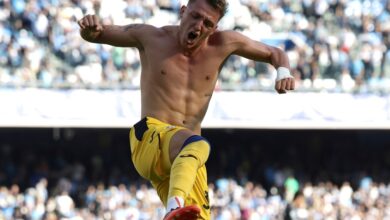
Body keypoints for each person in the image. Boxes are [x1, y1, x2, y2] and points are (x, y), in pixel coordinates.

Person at [78, 0, 295, 219]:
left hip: (186, 159)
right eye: (195, 16)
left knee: (198, 215)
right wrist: (89, 28)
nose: (199, 26)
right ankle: (174, 207)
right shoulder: (151, 37)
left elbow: (274, 53)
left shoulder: (224, 44)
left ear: (215, 28)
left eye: (208, 23)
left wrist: (283, 71)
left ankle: (176, 208)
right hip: (151, 139)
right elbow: (98, 34)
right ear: (183, 11)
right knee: (197, 145)